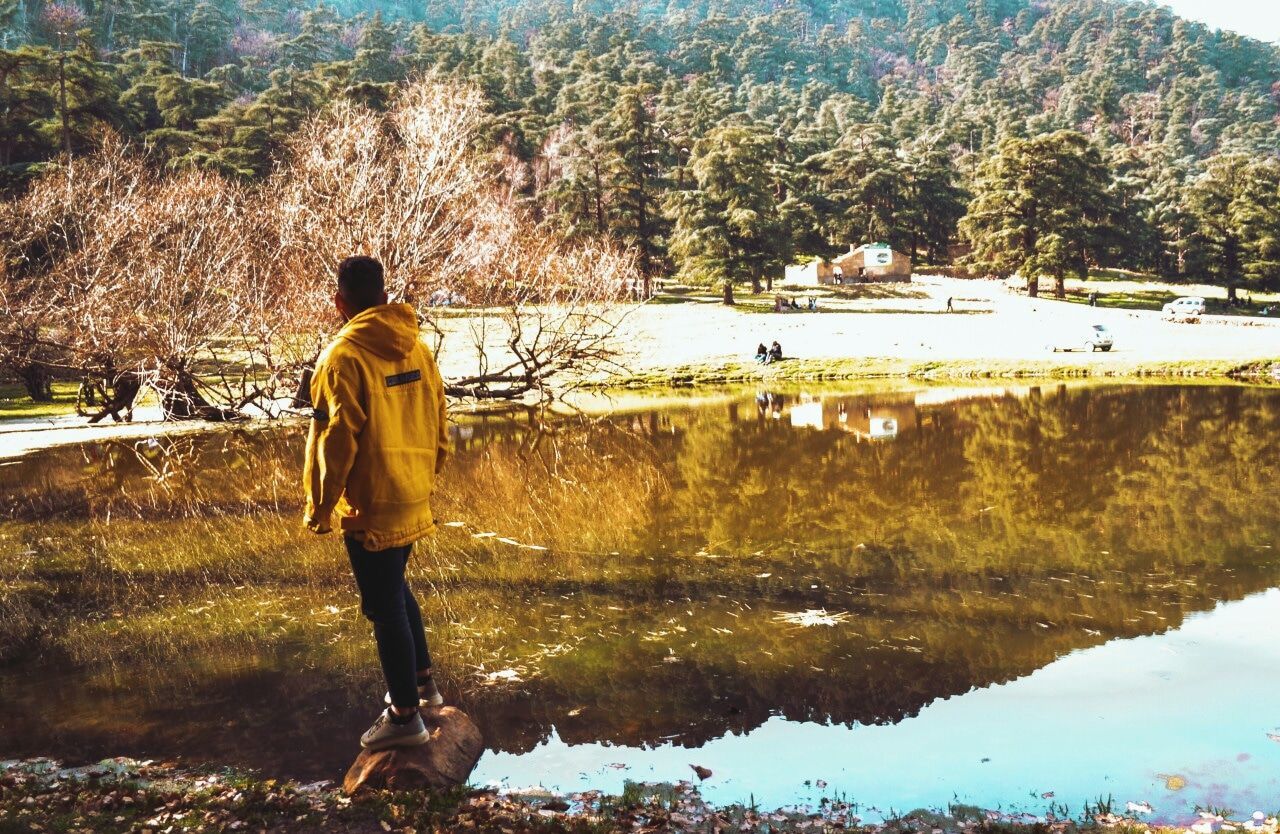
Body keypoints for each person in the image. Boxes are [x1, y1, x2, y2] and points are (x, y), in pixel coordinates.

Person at [303, 256, 451, 752]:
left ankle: (405, 716)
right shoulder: (418, 348)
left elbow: (334, 441)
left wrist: (321, 509)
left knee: (383, 605)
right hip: (412, 493)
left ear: (340, 302)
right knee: (395, 589)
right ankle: (425, 686)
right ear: (385, 299)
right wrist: (429, 475)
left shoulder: (341, 357)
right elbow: (440, 419)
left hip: (369, 505)